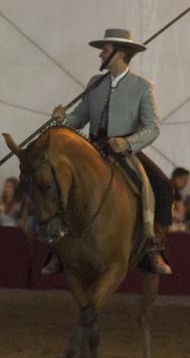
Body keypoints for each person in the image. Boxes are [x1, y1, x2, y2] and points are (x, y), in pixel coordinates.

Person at [50, 27, 172, 275]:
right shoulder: (95, 83)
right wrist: (64, 119)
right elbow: (80, 118)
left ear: (118, 53)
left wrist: (127, 144)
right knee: (57, 184)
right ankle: (58, 246)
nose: (99, 55)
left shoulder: (142, 87)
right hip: (92, 148)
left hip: (124, 150)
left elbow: (153, 128)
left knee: (162, 185)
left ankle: (153, 247)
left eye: (104, 50)